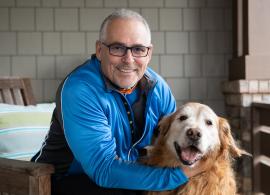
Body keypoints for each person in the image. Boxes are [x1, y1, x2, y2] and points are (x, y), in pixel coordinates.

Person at [32, 9, 202, 195]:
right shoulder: (80, 89)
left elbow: (172, 143)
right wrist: (180, 174)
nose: (128, 60)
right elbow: (103, 169)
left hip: (129, 177)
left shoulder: (158, 88)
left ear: (149, 53)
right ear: (99, 50)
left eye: (138, 49)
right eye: (117, 48)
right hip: (60, 182)